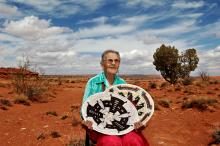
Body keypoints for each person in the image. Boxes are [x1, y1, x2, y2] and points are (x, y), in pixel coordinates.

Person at [81, 50, 149, 146]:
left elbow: (130, 109)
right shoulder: (93, 82)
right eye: (110, 60)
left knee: (133, 140)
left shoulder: (123, 83)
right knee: (111, 142)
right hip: (100, 128)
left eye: (116, 61)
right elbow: (84, 109)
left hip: (123, 126)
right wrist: (86, 121)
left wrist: (140, 121)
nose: (113, 63)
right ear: (102, 63)